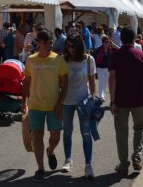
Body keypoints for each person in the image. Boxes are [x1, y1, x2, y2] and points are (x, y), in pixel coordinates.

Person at [22, 30, 69, 182]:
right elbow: (27, 82)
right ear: (39, 43)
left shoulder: (58, 60)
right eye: (46, 42)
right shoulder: (31, 60)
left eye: (51, 42)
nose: (49, 45)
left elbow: (65, 84)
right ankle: (40, 168)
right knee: (37, 135)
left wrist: (60, 103)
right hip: (35, 104)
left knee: (55, 136)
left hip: (54, 105)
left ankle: (50, 150)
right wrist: (23, 102)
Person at [108, 28, 143, 174]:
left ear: (121, 40)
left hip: (121, 100)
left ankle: (123, 164)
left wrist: (112, 101)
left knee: (122, 132)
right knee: (139, 128)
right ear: (134, 39)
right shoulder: (141, 55)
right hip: (140, 99)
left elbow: (112, 78)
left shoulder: (115, 55)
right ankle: (137, 158)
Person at [61, 34, 96, 178]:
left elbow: (92, 82)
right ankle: (68, 159)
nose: (70, 49)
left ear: (80, 45)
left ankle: (88, 165)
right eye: (68, 46)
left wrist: (92, 99)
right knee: (67, 131)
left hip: (83, 101)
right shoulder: (63, 60)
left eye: (73, 46)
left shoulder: (89, 60)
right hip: (66, 101)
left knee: (86, 134)